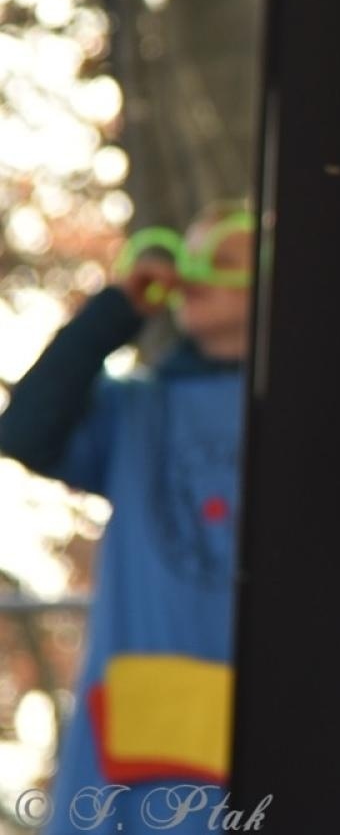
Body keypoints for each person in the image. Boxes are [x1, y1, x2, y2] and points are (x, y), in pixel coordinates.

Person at [0, 201, 253, 835]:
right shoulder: (136, 409)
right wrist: (115, 312)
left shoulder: (313, 418)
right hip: (142, 748)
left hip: (266, 725)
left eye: (218, 259)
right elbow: (27, 430)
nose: (191, 274)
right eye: (185, 256)